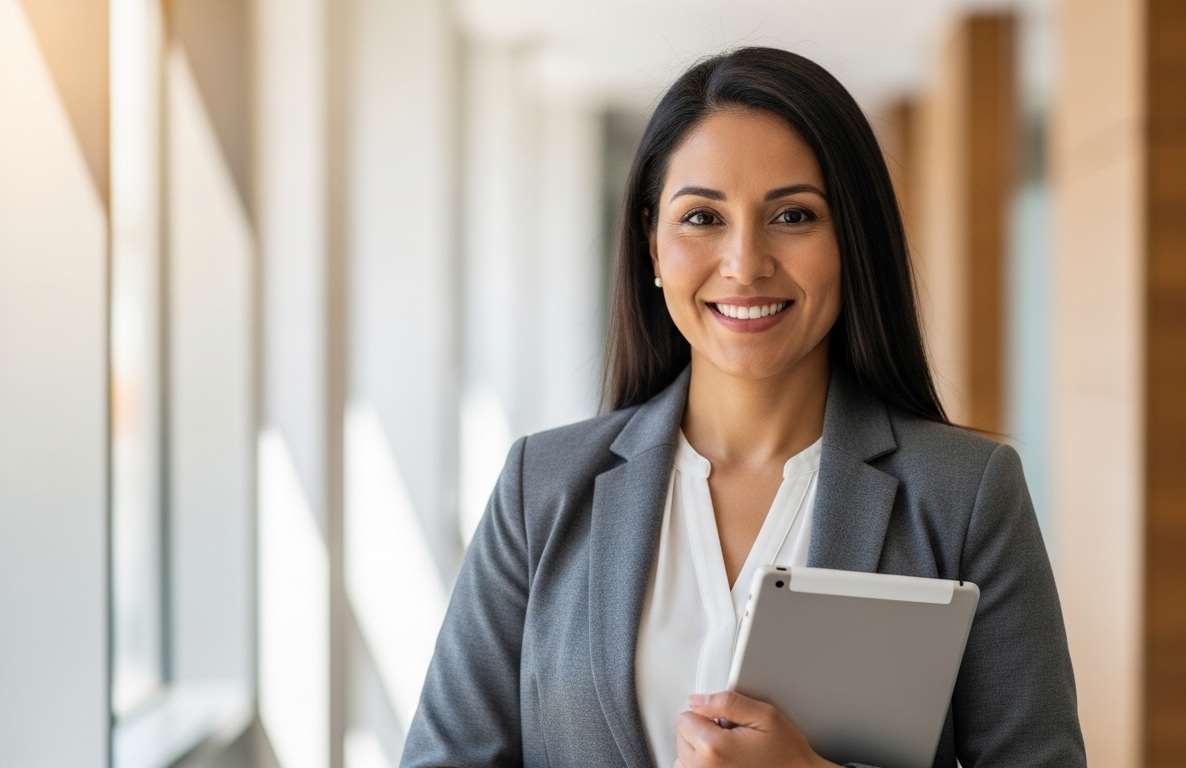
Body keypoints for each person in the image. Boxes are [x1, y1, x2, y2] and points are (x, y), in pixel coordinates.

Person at [401, 47, 1085, 768]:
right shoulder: (539, 489)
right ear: (652, 245)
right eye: (702, 217)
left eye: (792, 214)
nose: (745, 262)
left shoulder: (966, 495)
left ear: (851, 237)